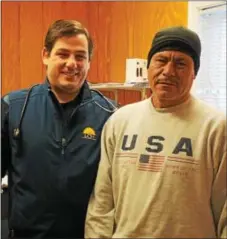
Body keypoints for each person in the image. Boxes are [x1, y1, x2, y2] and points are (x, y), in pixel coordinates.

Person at [85, 26, 226, 238]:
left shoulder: (216, 128)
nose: (168, 71)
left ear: (194, 73)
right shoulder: (120, 121)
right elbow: (102, 202)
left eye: (180, 63)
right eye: (161, 60)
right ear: (149, 66)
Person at [1, 19, 117, 238]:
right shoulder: (13, 107)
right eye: (63, 54)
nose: (72, 63)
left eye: (80, 56)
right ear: (46, 55)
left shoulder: (111, 115)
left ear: (89, 61)